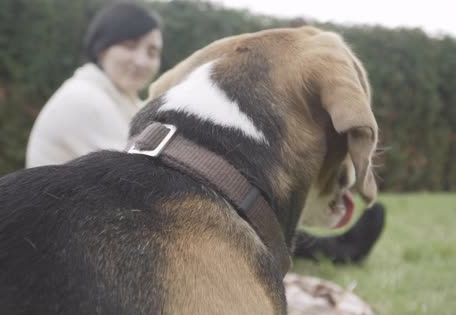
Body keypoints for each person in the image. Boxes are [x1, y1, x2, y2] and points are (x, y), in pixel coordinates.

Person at [25, 1, 385, 263]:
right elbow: (146, 186)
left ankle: (334, 249)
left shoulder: (120, 99)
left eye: (152, 51)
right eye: (129, 46)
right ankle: (337, 250)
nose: (141, 61)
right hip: (80, 247)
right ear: (101, 47)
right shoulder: (85, 98)